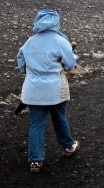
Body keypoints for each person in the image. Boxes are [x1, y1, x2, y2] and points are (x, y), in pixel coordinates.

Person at [16, 9, 80, 173]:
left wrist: (29, 73)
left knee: (36, 124)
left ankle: (35, 160)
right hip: (55, 88)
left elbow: (21, 61)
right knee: (59, 118)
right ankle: (67, 146)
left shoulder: (30, 42)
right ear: (56, 22)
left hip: (33, 90)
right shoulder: (60, 41)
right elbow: (70, 64)